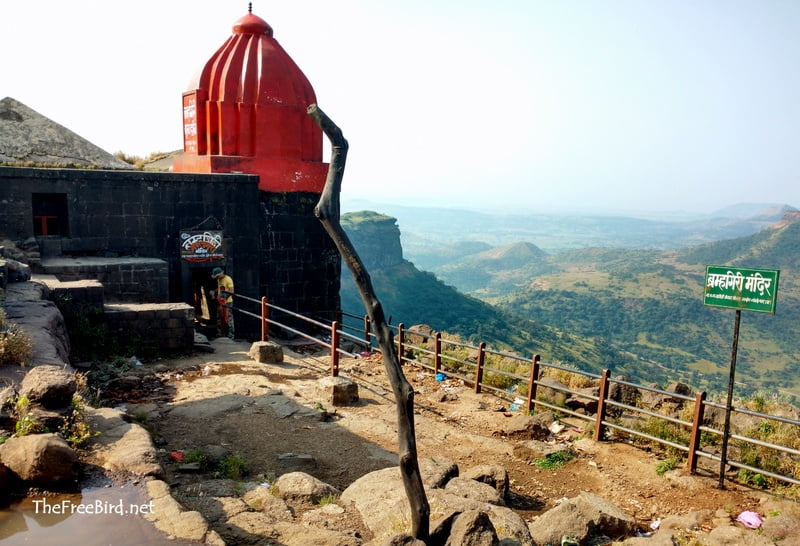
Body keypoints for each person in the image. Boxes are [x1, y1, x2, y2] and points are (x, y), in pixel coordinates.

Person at [211, 267, 234, 339]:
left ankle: (231, 336)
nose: (217, 278)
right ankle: (220, 334)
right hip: (220, 302)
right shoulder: (219, 279)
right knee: (219, 318)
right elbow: (220, 287)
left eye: (218, 276)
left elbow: (231, 291)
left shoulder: (228, 279)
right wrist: (214, 291)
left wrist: (224, 299)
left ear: (221, 274)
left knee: (229, 318)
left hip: (228, 303)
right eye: (216, 277)